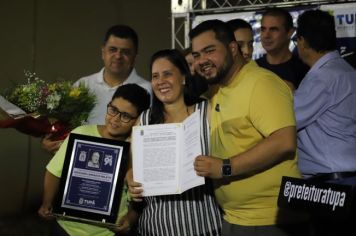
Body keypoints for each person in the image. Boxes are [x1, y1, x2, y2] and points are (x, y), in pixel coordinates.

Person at [190, 19, 309, 236]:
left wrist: (225, 167)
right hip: (235, 218)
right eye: (196, 55)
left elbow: (284, 141)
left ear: (232, 48)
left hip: (270, 219)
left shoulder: (261, 83)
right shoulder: (221, 89)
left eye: (209, 51)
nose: (202, 60)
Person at [127, 49, 222, 236]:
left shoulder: (207, 112)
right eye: (155, 76)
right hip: (154, 228)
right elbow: (132, 168)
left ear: (184, 77)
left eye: (167, 74)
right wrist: (130, 177)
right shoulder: (144, 120)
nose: (160, 81)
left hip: (205, 227)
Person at [38, 84, 151, 236]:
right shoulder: (81, 133)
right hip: (66, 228)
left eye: (125, 116)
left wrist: (130, 219)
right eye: (113, 110)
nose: (115, 119)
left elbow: (139, 198)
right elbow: (54, 171)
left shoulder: (138, 149)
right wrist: (47, 203)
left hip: (108, 232)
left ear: (138, 119)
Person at [42, 24, 152, 153]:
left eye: (125, 52)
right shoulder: (83, 85)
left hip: (126, 164)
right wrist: (50, 139)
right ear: (103, 52)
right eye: (113, 49)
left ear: (135, 58)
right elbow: (63, 126)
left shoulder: (149, 91)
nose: (118, 56)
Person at [293, 9, 356, 235]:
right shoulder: (347, 71)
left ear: (302, 41)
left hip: (332, 186)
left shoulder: (321, 78)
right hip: (345, 179)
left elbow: (286, 121)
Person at [256, 8, 309, 91]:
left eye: (273, 29)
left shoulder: (304, 71)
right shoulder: (254, 68)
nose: (266, 35)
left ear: (290, 33)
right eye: (263, 29)